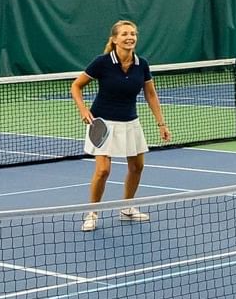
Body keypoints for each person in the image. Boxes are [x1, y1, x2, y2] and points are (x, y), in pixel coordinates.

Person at [70, 19, 171, 232]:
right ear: (115, 39)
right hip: (103, 124)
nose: (129, 37)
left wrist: (161, 123)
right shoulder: (102, 62)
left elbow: (150, 94)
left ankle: (127, 208)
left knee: (137, 167)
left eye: (132, 34)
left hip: (130, 122)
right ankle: (92, 213)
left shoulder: (141, 64)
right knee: (103, 170)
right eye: (124, 34)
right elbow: (76, 86)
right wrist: (83, 109)